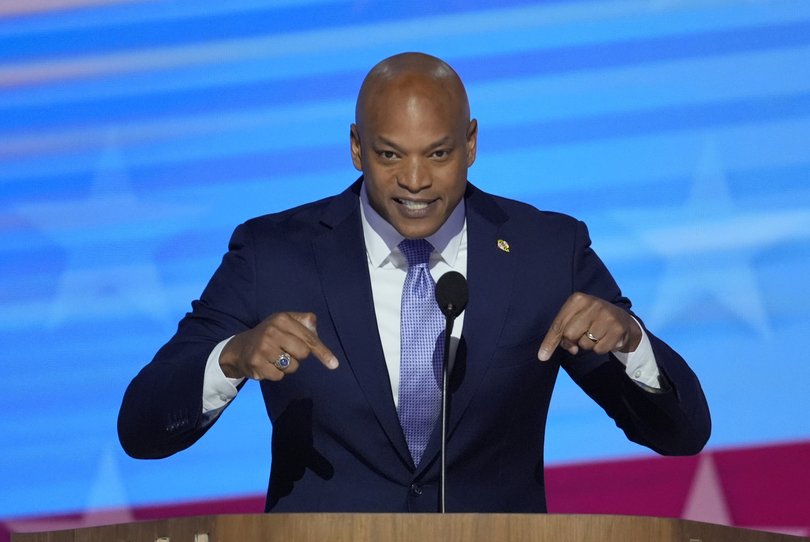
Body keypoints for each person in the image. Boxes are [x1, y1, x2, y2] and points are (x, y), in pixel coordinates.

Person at [118, 52, 710, 513]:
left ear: (472, 144)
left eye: (440, 153)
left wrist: (631, 341)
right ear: (355, 148)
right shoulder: (273, 254)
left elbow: (682, 433)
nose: (416, 180)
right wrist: (229, 358)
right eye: (390, 155)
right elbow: (142, 429)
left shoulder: (545, 252)